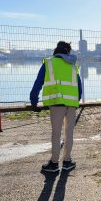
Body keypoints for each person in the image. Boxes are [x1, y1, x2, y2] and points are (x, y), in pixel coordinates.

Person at [30, 41, 82, 173]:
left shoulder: (49, 62)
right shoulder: (73, 65)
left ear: (55, 50)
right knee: (69, 133)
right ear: (68, 51)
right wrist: (76, 100)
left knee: (56, 133)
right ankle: (67, 162)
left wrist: (34, 101)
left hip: (56, 103)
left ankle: (53, 164)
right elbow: (79, 86)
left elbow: (38, 82)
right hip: (72, 103)